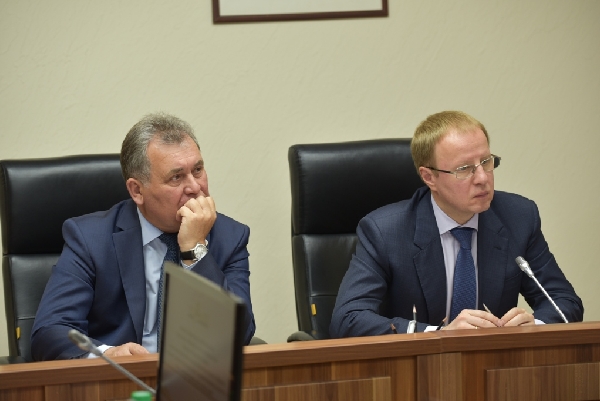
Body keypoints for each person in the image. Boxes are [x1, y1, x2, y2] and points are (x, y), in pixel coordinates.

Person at [330, 110, 583, 337]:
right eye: (464, 169)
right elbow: (348, 319)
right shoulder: (385, 231)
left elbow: (564, 300)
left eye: (486, 162)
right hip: (415, 367)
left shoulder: (518, 217)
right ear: (429, 177)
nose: (482, 178)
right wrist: (439, 334)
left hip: (493, 365)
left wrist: (535, 325)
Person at [31, 112, 255, 360]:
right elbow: (50, 331)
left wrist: (195, 250)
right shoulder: (90, 239)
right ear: (137, 190)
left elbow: (240, 335)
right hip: (118, 379)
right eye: (176, 177)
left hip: (194, 377)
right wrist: (108, 355)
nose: (195, 187)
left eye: (198, 170)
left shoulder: (229, 237)